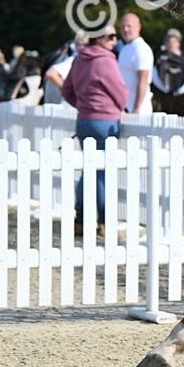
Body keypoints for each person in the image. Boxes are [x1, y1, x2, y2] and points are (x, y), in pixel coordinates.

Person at [61, 26, 128, 231]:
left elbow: (67, 90)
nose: (115, 40)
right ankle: (103, 221)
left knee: (87, 170)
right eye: (110, 36)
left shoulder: (79, 58)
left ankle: (80, 220)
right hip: (104, 121)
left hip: (84, 120)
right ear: (99, 38)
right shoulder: (105, 59)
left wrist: (83, 106)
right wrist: (117, 106)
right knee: (102, 172)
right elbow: (120, 92)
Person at [117, 13, 154, 114]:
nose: (125, 29)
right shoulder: (124, 49)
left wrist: (136, 108)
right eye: (123, 26)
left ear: (138, 27)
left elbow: (143, 80)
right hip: (125, 109)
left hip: (138, 111)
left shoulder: (141, 49)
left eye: (129, 26)